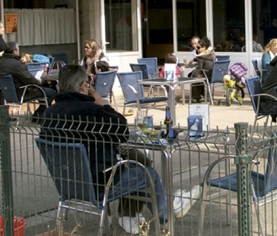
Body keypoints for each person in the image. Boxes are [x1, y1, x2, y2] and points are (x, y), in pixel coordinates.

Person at [39, 65, 200, 234]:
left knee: (136, 159)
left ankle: (139, 212)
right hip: (102, 181)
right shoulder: (91, 111)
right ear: (83, 86)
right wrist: (103, 104)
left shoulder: (49, 113)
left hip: (68, 183)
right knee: (147, 174)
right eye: (89, 84)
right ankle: (166, 212)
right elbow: (122, 130)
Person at [0, 41, 56, 121]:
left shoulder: (1, 62)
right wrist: (39, 82)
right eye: (18, 50)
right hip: (23, 93)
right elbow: (29, 79)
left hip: (7, 94)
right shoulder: (16, 64)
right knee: (51, 92)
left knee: (44, 89)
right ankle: (38, 115)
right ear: (14, 51)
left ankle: (38, 115)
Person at [190, 37, 216, 102]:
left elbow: (201, 68)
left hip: (206, 74)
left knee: (194, 76)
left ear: (204, 47)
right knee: (195, 74)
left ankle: (197, 97)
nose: (197, 49)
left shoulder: (200, 56)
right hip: (213, 74)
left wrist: (196, 59)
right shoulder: (211, 52)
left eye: (198, 47)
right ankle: (202, 94)